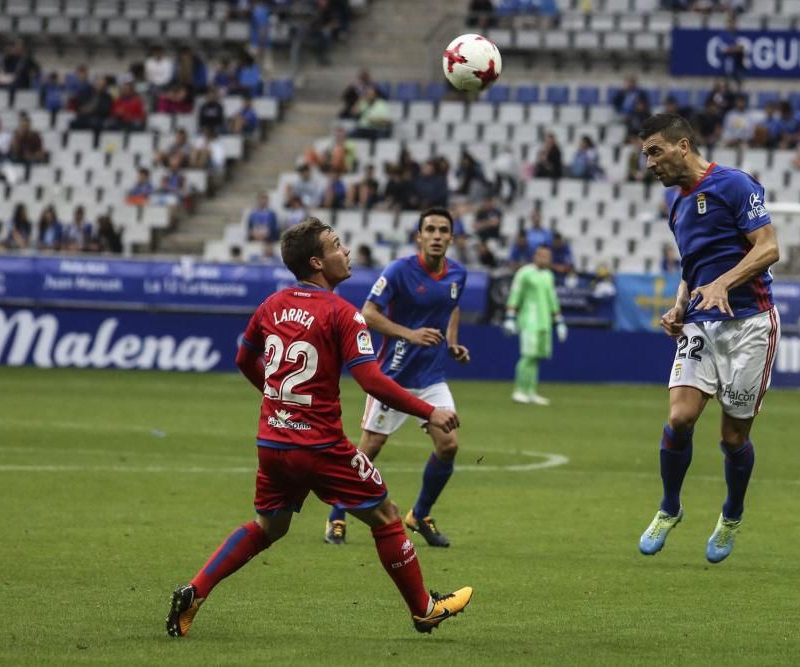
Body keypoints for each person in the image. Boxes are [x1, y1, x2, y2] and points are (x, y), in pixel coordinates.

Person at [165, 219, 473, 638]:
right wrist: (428, 411)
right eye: (336, 245)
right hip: (320, 446)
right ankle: (424, 610)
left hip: (272, 442)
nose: (345, 252)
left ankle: (195, 591)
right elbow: (371, 380)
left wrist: (278, 399)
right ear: (316, 262)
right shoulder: (341, 313)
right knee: (386, 516)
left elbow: (244, 358)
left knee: (268, 527)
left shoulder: (271, 305)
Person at [635, 113, 780, 564]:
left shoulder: (735, 185)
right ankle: (669, 507)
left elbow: (769, 247)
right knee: (679, 418)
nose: (650, 163)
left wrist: (724, 284)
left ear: (683, 145)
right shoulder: (675, 205)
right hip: (700, 321)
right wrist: (680, 305)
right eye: (645, 155)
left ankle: (732, 513)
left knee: (734, 437)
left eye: (655, 151)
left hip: (751, 323)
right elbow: (691, 267)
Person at [323, 207, 470, 548]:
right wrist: (410, 334)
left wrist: (452, 343)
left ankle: (419, 515)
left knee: (449, 444)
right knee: (369, 449)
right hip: (394, 376)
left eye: (442, 230)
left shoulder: (458, 274)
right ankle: (337, 515)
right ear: (419, 236)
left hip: (432, 378)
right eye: (429, 229)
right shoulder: (400, 271)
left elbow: (453, 306)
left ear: (451, 237)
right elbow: (368, 313)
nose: (436, 235)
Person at [503, 245, 567, 405]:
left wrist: (559, 321)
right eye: (542, 255)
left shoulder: (548, 275)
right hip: (529, 320)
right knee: (527, 356)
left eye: (548, 256)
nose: (545, 259)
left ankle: (531, 391)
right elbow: (515, 294)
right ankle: (519, 390)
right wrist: (510, 317)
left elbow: (552, 299)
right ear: (535, 256)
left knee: (537, 357)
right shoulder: (525, 273)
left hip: (544, 322)